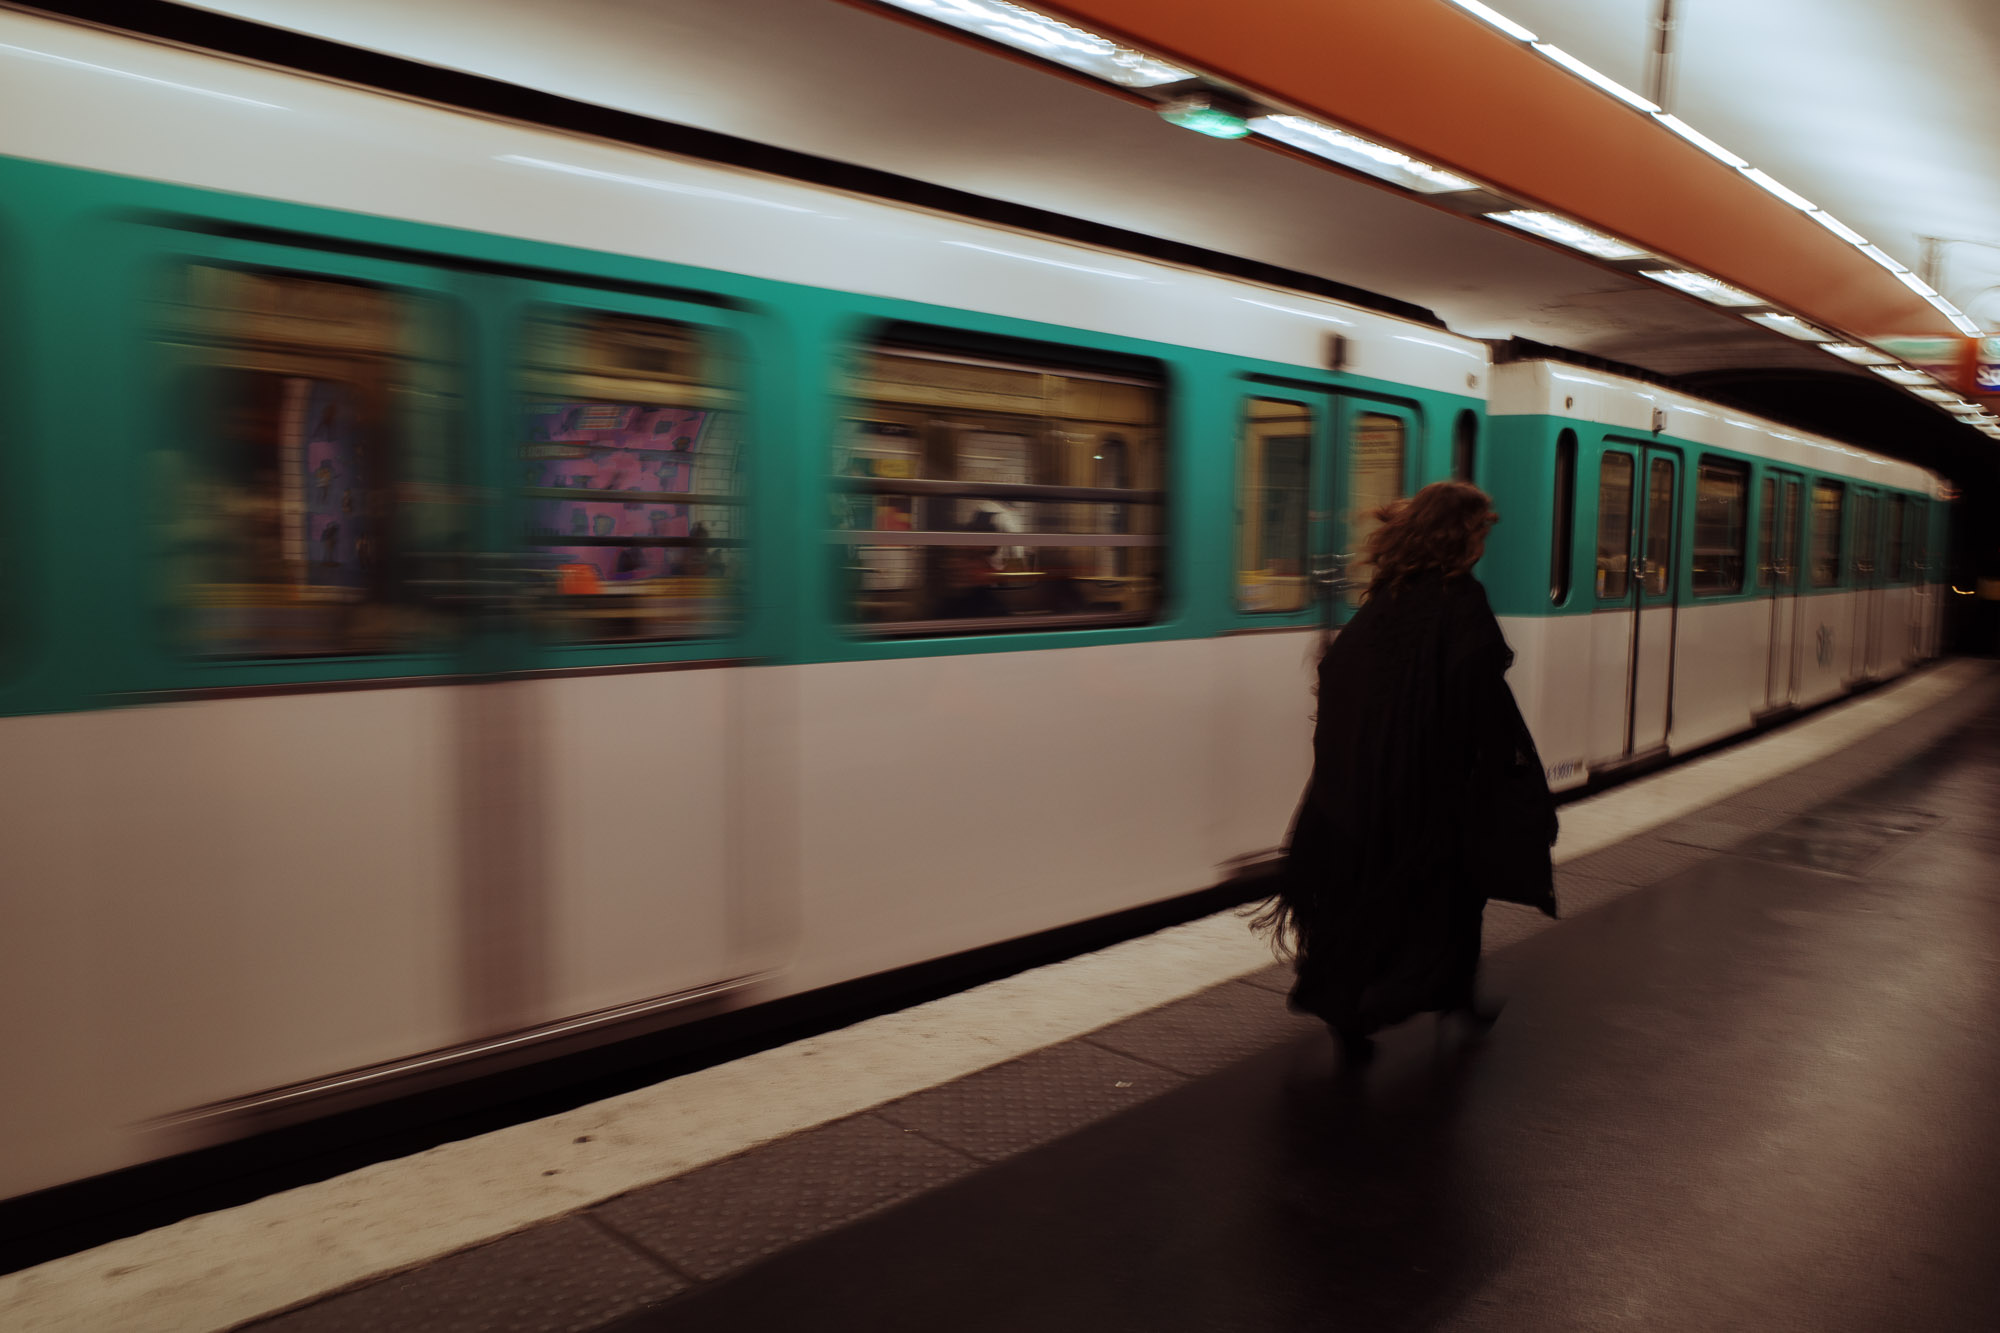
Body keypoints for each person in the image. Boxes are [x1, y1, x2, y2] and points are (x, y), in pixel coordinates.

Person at [1255, 481, 1558, 1068]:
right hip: (1431, 793)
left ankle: (1355, 1005)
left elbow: (1342, 683)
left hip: (1356, 789)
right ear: (1460, 537)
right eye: (1480, 532)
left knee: (1366, 901)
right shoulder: (1460, 600)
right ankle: (1404, 1004)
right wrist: (1510, 776)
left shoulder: (1386, 597)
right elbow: (1478, 700)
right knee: (1448, 899)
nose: (1483, 544)